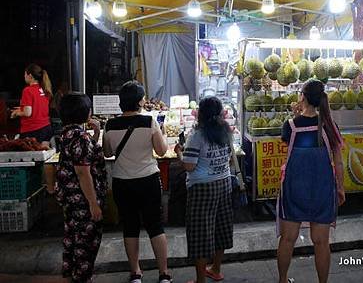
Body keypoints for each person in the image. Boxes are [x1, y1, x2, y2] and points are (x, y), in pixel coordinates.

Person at [102, 81, 172, 283]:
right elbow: (161, 151)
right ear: (140, 101)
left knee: (130, 227)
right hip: (148, 181)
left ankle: (135, 273)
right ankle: (164, 273)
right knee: (155, 226)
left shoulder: (110, 125)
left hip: (122, 183)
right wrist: (164, 133)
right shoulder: (149, 122)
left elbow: (107, 153)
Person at [277, 79, 345, 283]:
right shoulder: (330, 126)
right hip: (322, 189)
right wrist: (340, 187)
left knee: (287, 239)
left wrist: (297, 114)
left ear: (303, 97)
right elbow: (339, 162)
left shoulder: (290, 126)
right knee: (321, 242)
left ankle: (282, 280)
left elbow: (289, 145)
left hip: (294, 188)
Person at [178, 96, 234, 283]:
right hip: (224, 183)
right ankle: (216, 269)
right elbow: (228, 156)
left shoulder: (197, 136)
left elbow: (189, 166)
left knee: (200, 232)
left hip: (202, 187)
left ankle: (201, 280)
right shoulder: (226, 131)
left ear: (200, 113)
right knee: (220, 227)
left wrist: (179, 153)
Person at [55, 93, 107, 283]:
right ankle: (82, 278)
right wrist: (93, 204)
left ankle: (74, 276)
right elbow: (83, 172)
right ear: (85, 113)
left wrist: (96, 135)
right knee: (86, 243)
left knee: (74, 237)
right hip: (83, 200)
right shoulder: (80, 138)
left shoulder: (67, 134)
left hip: (70, 198)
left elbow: (82, 157)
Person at [10, 64, 53, 143]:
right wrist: (21, 109)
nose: (24, 76)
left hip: (33, 131)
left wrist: (16, 113)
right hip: (46, 129)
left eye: (25, 74)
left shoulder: (27, 90)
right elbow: (38, 107)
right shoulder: (44, 88)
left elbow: (27, 113)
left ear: (30, 76)